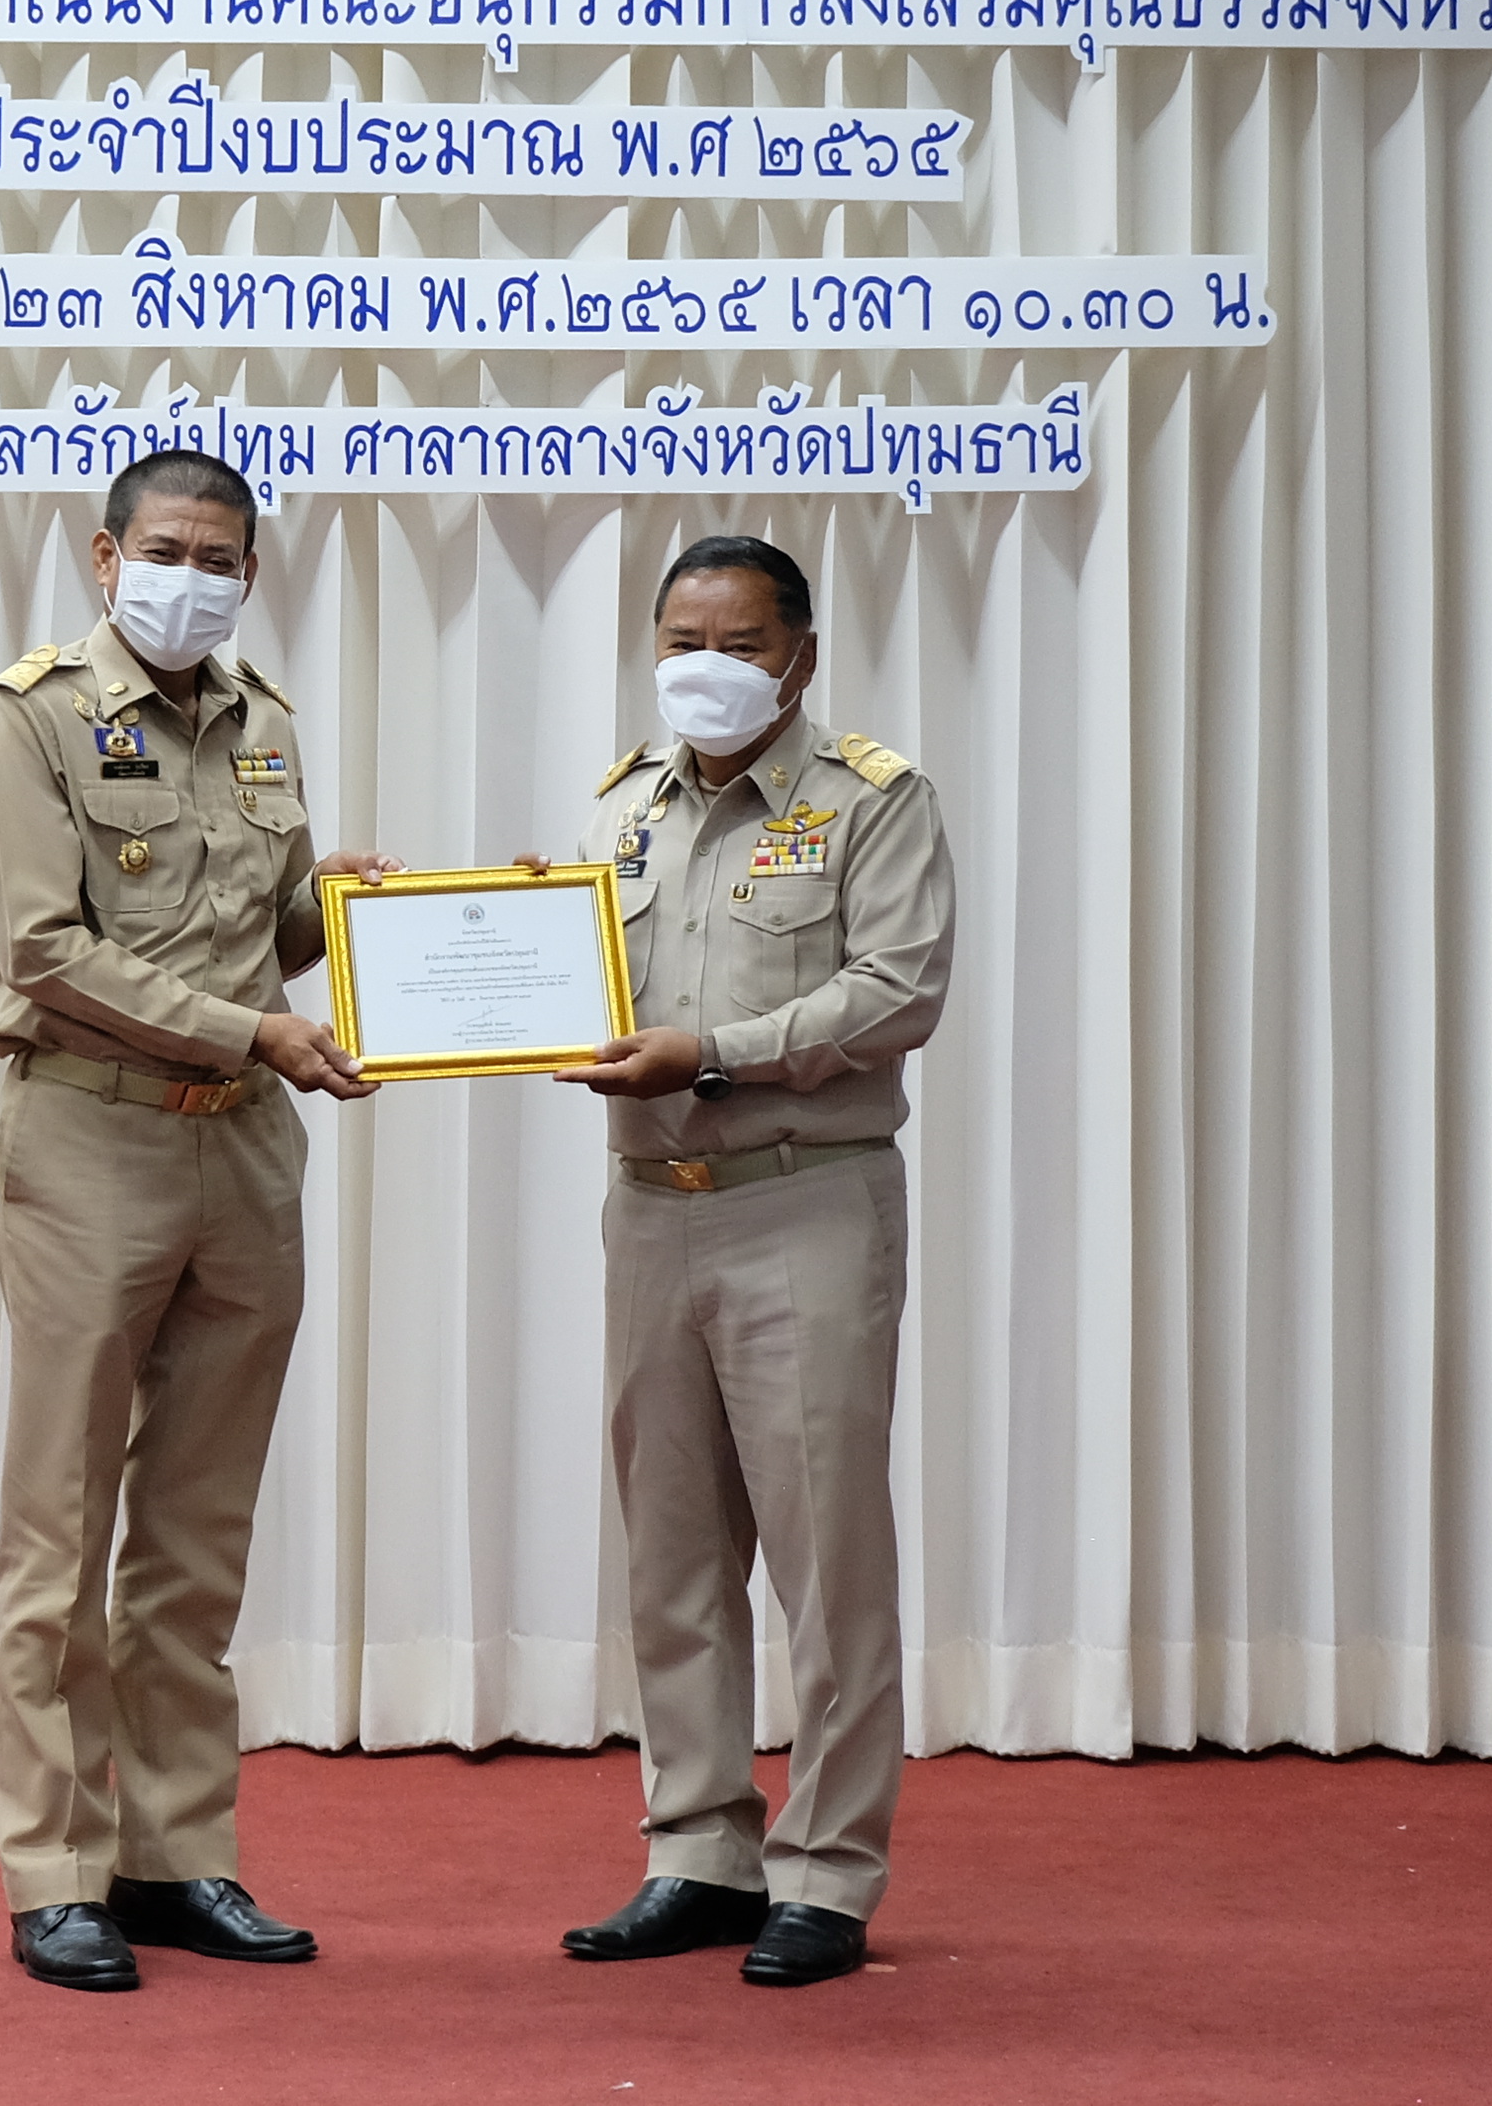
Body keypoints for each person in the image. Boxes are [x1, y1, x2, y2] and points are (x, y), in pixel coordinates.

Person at [0, 448, 394, 1994]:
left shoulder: (263, 718)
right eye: (167, 546)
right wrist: (252, 1028)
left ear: (250, 573)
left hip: (245, 1155)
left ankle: (173, 1853)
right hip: (92, 1136)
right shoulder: (33, 714)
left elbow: (257, 926)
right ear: (103, 554)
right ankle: (53, 1866)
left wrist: (338, 910)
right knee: (60, 1529)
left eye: (221, 554)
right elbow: (43, 946)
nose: (191, 573)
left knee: (198, 1537)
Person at [552, 533, 952, 1988]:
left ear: (799, 656)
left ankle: (829, 1871)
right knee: (673, 1551)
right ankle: (698, 1851)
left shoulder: (872, 801)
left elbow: (898, 987)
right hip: (653, 1202)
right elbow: (576, 972)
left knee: (824, 1553)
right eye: (677, 642)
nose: (701, 670)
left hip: (806, 1197)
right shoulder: (627, 808)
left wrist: (712, 1051)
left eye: (733, 642)